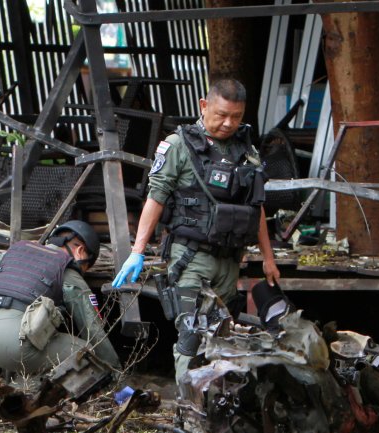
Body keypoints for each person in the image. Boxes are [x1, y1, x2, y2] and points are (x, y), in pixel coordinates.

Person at [111, 78, 280, 382]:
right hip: (190, 257)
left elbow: (257, 208)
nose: (228, 123)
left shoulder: (246, 150)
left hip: (229, 260)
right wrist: (137, 252)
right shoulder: (179, 145)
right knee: (191, 334)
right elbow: (156, 197)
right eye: (221, 115)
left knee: (223, 335)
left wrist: (268, 258)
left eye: (236, 117)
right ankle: (188, 414)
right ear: (204, 106)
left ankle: (215, 409)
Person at [0, 220, 121, 394]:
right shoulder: (67, 271)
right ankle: (19, 395)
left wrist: (4, 259)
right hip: (11, 345)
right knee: (83, 351)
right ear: (80, 251)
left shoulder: (13, 253)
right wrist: (116, 375)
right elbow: (92, 330)